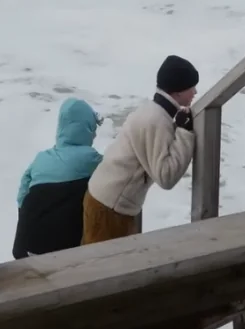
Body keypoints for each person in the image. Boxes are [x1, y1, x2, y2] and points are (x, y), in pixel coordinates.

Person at [82, 55, 198, 245]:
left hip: (106, 199)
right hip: (111, 206)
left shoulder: (154, 111)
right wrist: (184, 134)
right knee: (105, 261)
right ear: (177, 91)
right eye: (191, 87)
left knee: (99, 257)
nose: (195, 92)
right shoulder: (156, 119)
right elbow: (166, 176)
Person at [12, 98, 103, 259]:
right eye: (92, 128)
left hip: (26, 247)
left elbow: (22, 198)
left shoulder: (40, 159)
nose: (95, 134)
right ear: (86, 129)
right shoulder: (93, 160)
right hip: (66, 252)